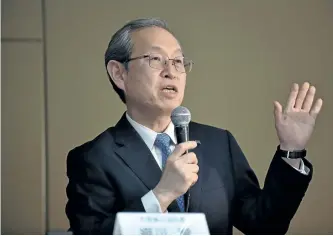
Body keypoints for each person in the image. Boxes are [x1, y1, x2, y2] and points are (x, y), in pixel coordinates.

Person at [65, 18, 323, 235]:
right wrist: (161, 195)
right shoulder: (93, 158)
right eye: (156, 59)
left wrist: (292, 150)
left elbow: (265, 225)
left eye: (178, 61)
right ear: (119, 73)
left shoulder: (219, 143)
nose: (171, 71)